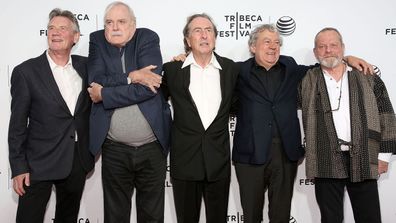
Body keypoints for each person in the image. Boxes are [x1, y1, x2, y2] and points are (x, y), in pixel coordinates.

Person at [232, 24, 372, 223]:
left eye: (277, 42)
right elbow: (209, 67)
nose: (273, 46)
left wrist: (347, 58)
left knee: (280, 215)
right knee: (251, 216)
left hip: (285, 154)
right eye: (267, 42)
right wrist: (184, 58)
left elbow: (325, 64)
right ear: (253, 47)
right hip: (249, 155)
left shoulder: (290, 67)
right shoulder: (238, 71)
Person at [299, 27, 396, 223]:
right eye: (322, 46)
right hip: (324, 157)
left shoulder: (368, 75)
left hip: (364, 155)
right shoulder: (305, 80)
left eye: (333, 45)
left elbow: (387, 116)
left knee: (369, 217)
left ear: (342, 48)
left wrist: (384, 156)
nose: (328, 50)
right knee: (330, 218)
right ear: (316, 52)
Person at [87, 1, 171, 223]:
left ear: (133, 26)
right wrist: (131, 76)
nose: (114, 27)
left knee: (152, 217)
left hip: (152, 148)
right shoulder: (96, 40)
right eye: (109, 22)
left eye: (121, 22)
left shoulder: (147, 38)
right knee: (115, 217)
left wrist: (105, 95)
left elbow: (149, 87)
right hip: (115, 150)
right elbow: (95, 80)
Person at [8, 8, 94, 223]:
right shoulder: (26, 72)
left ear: (75, 37)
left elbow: (117, 73)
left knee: (68, 218)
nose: (55, 32)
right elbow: (17, 125)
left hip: (76, 161)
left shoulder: (87, 67)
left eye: (62, 28)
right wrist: (18, 167)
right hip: (37, 164)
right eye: (51, 28)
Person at [161, 13, 239, 223]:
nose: (204, 35)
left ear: (214, 37)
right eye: (197, 30)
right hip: (184, 162)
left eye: (209, 30)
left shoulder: (232, 69)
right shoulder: (171, 70)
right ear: (188, 40)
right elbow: (155, 104)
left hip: (218, 163)